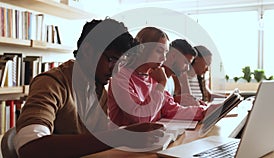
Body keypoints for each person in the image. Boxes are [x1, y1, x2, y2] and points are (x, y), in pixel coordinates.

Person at [13, 18, 164, 158]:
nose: (116, 71)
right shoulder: (52, 83)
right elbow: (30, 147)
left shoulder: (100, 90)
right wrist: (122, 136)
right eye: (112, 60)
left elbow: (98, 142)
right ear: (87, 51)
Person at [107, 27, 209, 127]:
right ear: (143, 49)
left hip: (148, 139)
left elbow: (172, 110)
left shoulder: (153, 77)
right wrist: (161, 83)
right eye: (159, 51)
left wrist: (205, 111)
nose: (164, 58)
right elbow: (140, 119)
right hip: (123, 141)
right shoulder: (121, 77)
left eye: (165, 53)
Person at [163, 39, 203, 106]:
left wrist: (175, 100)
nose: (187, 69)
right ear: (173, 55)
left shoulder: (171, 81)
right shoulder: (156, 77)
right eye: (185, 62)